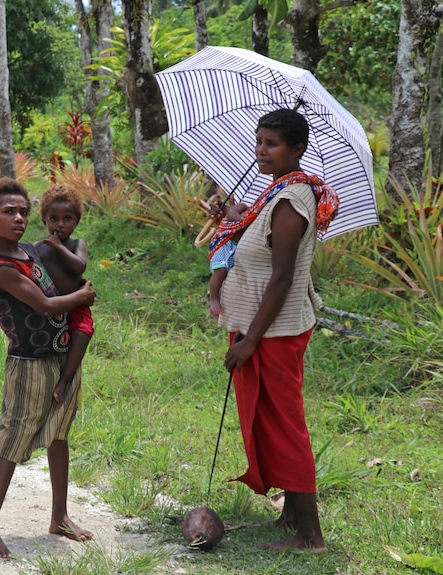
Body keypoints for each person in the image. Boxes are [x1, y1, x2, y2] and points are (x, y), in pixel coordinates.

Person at [214, 109, 339, 553]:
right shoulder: (279, 191)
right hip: (263, 328)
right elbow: (259, 242)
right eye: (259, 141)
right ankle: (291, 514)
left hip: (273, 332)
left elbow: (282, 277)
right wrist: (234, 215)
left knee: (285, 424)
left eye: (272, 144)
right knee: (269, 419)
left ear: (297, 149)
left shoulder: (292, 200)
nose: (261, 150)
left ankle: (310, 535)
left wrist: (250, 340)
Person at [0, 178, 96, 558]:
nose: (18, 218)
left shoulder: (31, 251)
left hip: (60, 358)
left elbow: (67, 275)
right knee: (13, 439)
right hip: (28, 364)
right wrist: (82, 296)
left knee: (59, 434)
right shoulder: (1, 267)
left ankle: (59, 514)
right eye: (8, 212)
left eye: (23, 212)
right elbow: (46, 305)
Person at [34, 184, 94, 403]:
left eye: (67, 219)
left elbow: (79, 267)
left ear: (76, 221)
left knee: (83, 331)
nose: (60, 224)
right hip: (51, 305)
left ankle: (65, 380)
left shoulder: (77, 244)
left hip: (76, 305)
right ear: (45, 221)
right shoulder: (38, 248)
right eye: (54, 218)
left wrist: (59, 247)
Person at [208, 201, 249, 318]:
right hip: (226, 246)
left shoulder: (261, 209)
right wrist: (244, 221)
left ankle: (220, 302)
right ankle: (214, 298)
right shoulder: (243, 206)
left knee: (228, 279)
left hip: (237, 249)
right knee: (220, 271)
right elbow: (231, 214)